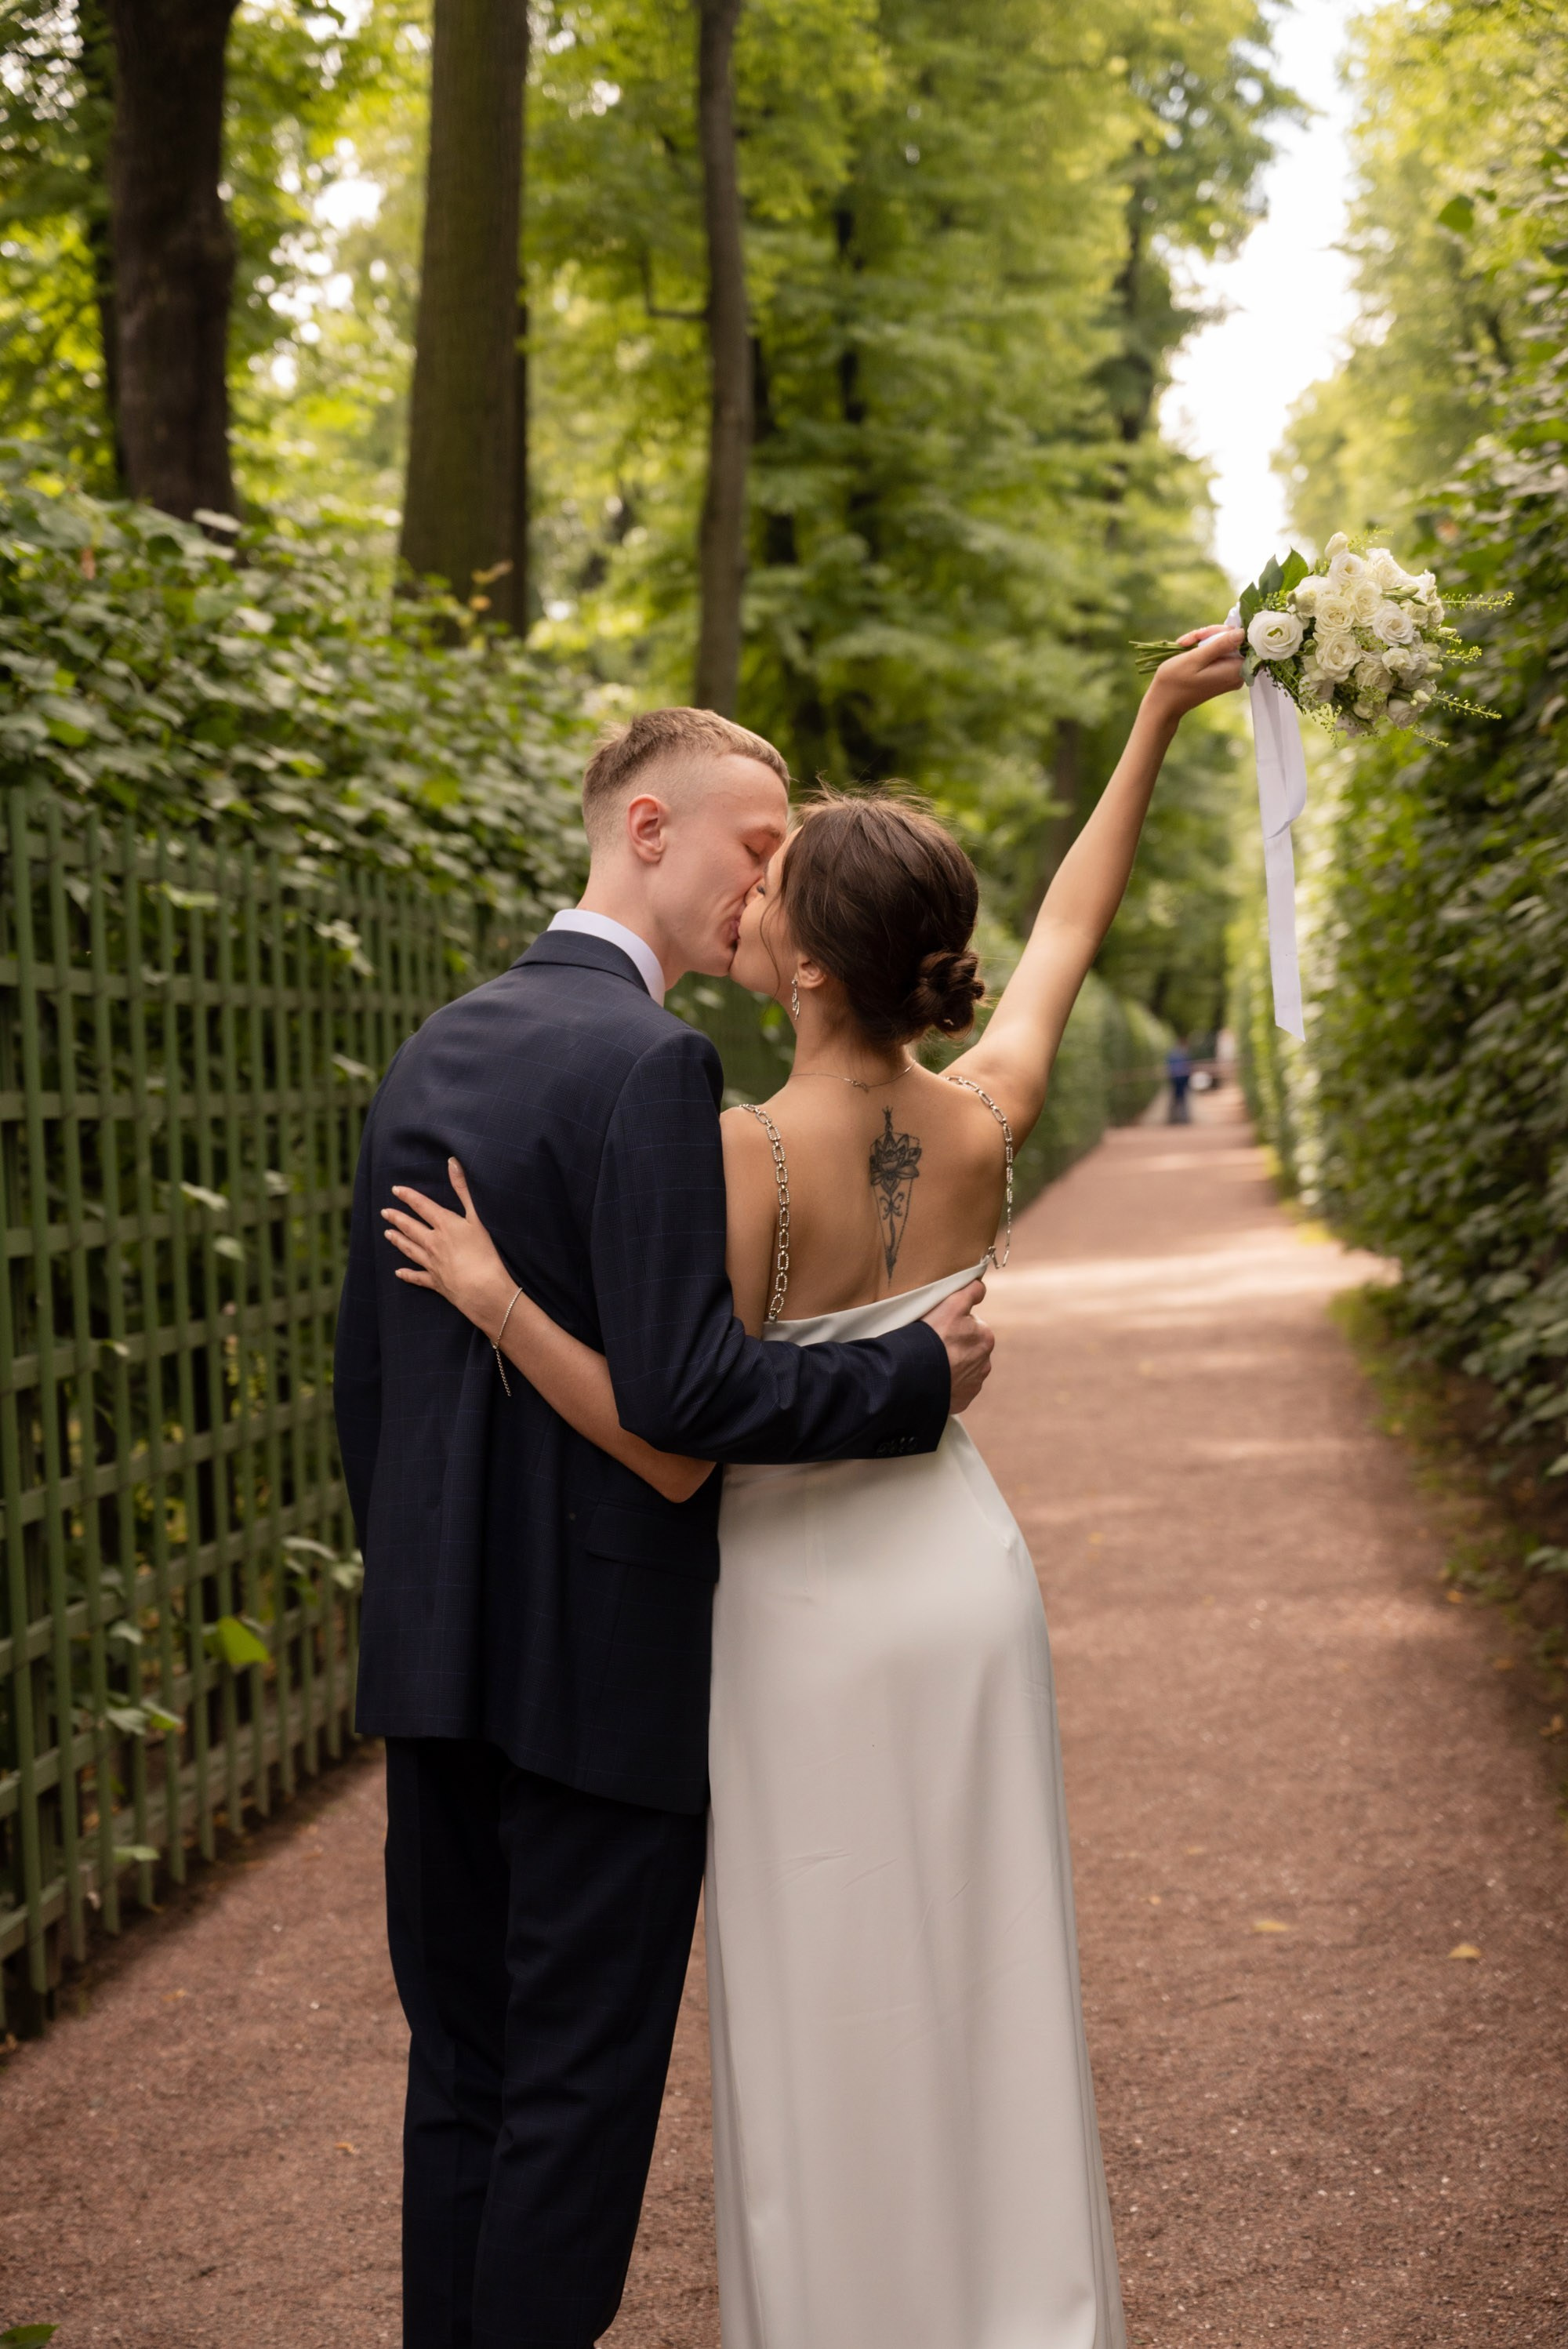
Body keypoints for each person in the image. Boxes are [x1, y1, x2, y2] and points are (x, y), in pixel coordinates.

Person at [380, 623, 1243, 2349]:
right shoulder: (987, 1116)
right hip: (964, 1575)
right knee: (990, 1956)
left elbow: (666, 1427)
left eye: (777, 891)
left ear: (808, 976)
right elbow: (1069, 919)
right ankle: (1019, 2304)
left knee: (820, 1978)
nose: (751, 903)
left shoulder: (730, 1149)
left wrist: (496, 1305)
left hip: (794, 1607)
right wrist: (1153, 713)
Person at [333, 706, 996, 2349]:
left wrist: (427, 1603)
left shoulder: (435, 1049)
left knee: (464, 2079)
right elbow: (690, 1394)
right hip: (601, 1676)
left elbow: (370, 1394)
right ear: (646, 829)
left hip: (435, 1664)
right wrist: (909, 1374)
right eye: (754, 848)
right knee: (574, 2097)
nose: (772, 892)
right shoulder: (652, 1064)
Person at [1166, 1033, 1194, 1121]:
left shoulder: (1173, 1054)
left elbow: (1169, 1067)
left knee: (1176, 1098)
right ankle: (1182, 1117)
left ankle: (1174, 1117)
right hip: (1181, 1079)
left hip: (1176, 1079)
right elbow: (1188, 1067)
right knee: (1182, 1098)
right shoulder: (1184, 1054)